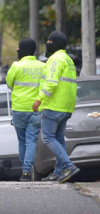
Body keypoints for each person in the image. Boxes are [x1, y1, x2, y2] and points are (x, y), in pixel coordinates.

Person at [33, 31, 79, 183]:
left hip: (54, 105)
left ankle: (68, 165)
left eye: (49, 41)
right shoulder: (68, 59)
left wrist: (39, 100)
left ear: (55, 44)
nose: (47, 44)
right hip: (66, 106)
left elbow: (51, 83)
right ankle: (59, 172)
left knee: (47, 137)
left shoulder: (55, 59)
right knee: (59, 139)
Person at [6, 38, 44, 182]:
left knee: (22, 141)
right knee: (31, 141)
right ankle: (27, 171)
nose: (17, 50)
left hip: (19, 109)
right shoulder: (42, 66)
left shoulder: (16, 65)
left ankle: (25, 171)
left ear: (22, 49)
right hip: (36, 109)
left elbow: (9, 83)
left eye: (18, 47)